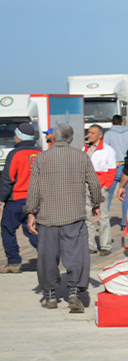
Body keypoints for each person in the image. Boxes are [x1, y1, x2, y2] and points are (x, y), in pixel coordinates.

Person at [25, 124, 103, 312]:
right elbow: (94, 183)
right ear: (71, 139)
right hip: (74, 216)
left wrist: (30, 212)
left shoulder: (41, 159)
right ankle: (74, 292)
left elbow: (33, 188)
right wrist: (96, 204)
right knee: (77, 255)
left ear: (54, 138)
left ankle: (50, 296)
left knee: (47, 257)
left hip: (47, 217)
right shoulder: (81, 156)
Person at [0, 123, 41, 273]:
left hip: (17, 199)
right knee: (33, 230)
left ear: (19, 137)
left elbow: (7, 179)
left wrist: (1, 198)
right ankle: (48, 257)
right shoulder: (41, 153)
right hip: (36, 200)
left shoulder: (15, 154)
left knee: (7, 229)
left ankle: (13, 262)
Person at [84, 124, 118, 256]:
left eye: (92, 133)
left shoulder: (108, 150)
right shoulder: (85, 149)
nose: (89, 135)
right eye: (89, 132)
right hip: (86, 188)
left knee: (102, 217)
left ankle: (105, 246)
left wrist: (105, 187)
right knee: (88, 217)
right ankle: (90, 245)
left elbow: (112, 171)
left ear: (100, 135)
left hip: (100, 188)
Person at [104, 115, 128, 229]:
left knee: (108, 195)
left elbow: (105, 149)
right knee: (125, 194)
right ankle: (124, 223)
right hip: (126, 168)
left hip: (113, 167)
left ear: (112, 123)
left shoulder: (109, 134)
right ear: (122, 123)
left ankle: (104, 220)